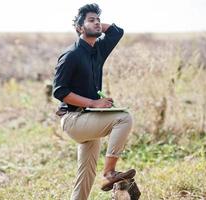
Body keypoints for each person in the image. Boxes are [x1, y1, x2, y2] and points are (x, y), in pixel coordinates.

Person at [52, 3, 135, 200]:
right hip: (73, 118)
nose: (97, 23)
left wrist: (95, 24)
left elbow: (117, 32)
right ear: (79, 28)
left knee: (86, 176)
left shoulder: (97, 50)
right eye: (91, 20)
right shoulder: (71, 55)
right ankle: (109, 173)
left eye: (98, 20)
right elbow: (59, 91)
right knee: (124, 118)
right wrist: (94, 102)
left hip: (89, 118)